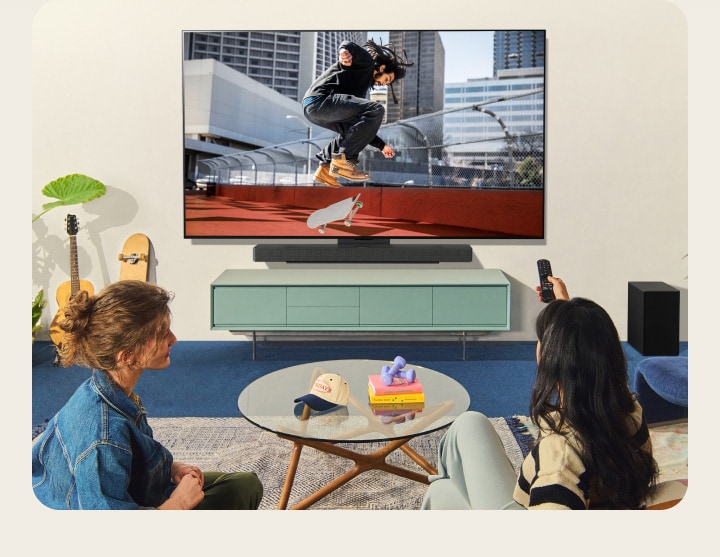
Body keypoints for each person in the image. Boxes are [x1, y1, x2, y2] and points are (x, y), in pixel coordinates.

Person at [421, 276, 659, 510]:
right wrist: (563, 308)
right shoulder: (628, 407)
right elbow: (589, 350)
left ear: (553, 359)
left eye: (541, 340)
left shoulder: (560, 453)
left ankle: (453, 486)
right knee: (469, 423)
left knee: (442, 492)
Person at [32, 280, 263, 510]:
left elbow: (137, 461)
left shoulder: (104, 391)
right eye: (162, 334)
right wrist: (179, 503)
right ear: (127, 355)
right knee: (242, 491)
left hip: (139, 494)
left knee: (243, 484)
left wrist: (172, 469)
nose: (174, 339)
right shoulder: (103, 437)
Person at [302, 38, 413, 187]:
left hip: (315, 110)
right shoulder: (366, 63)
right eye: (388, 78)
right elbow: (348, 45)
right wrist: (344, 53)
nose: (385, 84)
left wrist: (381, 146)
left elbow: (361, 129)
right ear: (382, 68)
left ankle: (324, 169)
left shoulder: (361, 88)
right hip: (320, 100)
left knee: (350, 130)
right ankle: (344, 159)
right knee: (377, 109)